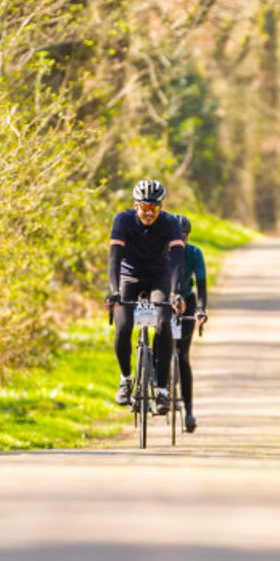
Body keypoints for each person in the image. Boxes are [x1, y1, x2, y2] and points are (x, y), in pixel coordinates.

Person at [108, 179, 186, 414]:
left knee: (163, 324)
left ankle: (162, 391)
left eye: (155, 208)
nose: (149, 213)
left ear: (160, 208)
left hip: (158, 277)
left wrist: (174, 292)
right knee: (123, 327)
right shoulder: (122, 220)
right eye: (144, 207)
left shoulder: (170, 223)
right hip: (128, 278)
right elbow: (114, 258)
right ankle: (126, 379)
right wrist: (114, 291)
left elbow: (178, 260)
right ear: (135, 205)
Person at [171, 216, 209, 433]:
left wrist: (202, 310)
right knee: (162, 344)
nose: (180, 240)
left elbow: (201, 285)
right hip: (164, 299)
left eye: (183, 237)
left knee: (183, 354)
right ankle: (161, 389)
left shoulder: (194, 253)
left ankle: (189, 411)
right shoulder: (160, 250)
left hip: (187, 299)